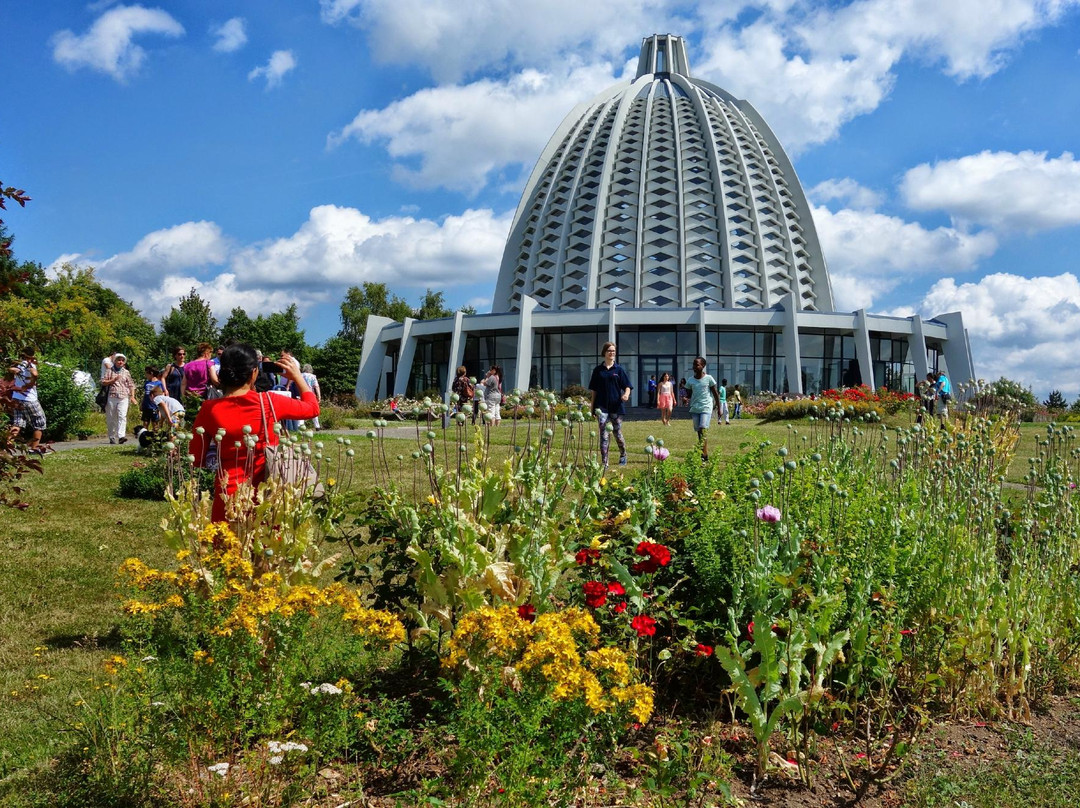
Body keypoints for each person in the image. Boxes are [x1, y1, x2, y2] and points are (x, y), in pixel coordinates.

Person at [190, 345, 319, 523]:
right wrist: (297, 377)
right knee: (267, 545)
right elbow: (312, 408)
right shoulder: (269, 402)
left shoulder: (208, 409)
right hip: (267, 495)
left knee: (227, 548)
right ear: (254, 373)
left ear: (222, 374)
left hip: (228, 498)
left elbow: (196, 457)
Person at [588, 342, 632, 466]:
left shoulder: (619, 369)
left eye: (613, 351)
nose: (611, 353)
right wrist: (592, 409)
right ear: (604, 353)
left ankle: (623, 454)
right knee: (603, 435)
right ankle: (604, 461)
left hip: (616, 407)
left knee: (617, 433)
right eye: (609, 351)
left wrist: (626, 394)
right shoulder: (598, 370)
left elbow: (627, 386)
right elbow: (594, 391)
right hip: (601, 407)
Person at [9, 346, 46, 452]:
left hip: (16, 398)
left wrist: (15, 371)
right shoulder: (30, 364)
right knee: (39, 422)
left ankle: (6, 446)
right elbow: (35, 373)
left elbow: (10, 370)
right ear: (32, 356)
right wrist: (31, 383)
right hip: (29, 399)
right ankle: (34, 449)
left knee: (17, 423)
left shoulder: (18, 364)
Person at [685, 357, 721, 462]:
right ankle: (704, 453)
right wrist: (685, 398)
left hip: (706, 407)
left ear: (703, 366)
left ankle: (704, 455)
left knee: (703, 428)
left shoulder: (709, 378)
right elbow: (689, 394)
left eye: (697, 364)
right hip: (695, 408)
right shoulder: (690, 380)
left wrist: (719, 408)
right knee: (699, 432)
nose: (695, 367)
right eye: (694, 365)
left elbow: (715, 394)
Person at [101, 353, 138, 444]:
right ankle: (112, 436)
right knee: (111, 417)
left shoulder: (126, 372)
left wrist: (132, 396)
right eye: (119, 360)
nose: (120, 362)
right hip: (112, 396)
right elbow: (103, 382)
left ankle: (121, 436)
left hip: (123, 397)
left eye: (122, 360)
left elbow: (131, 385)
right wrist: (112, 380)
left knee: (122, 416)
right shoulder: (110, 370)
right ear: (115, 361)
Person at [140, 366, 166, 430]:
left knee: (155, 424)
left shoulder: (159, 383)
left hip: (154, 407)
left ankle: (155, 438)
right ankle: (145, 437)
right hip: (146, 406)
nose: (146, 375)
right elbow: (145, 394)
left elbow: (162, 395)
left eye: (146, 373)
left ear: (151, 373)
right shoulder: (146, 382)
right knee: (145, 423)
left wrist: (160, 408)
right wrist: (142, 404)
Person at [300, 363, 322, 430]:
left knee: (302, 409)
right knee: (314, 409)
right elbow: (316, 386)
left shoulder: (300, 375)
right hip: (310, 394)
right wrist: (319, 395)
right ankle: (317, 426)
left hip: (301, 393)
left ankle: (301, 425)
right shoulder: (313, 376)